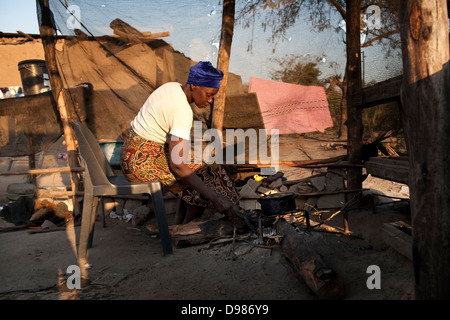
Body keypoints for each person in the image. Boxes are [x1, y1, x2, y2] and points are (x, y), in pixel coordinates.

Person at [120, 61, 241, 225]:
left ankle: (179, 223)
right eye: (209, 94)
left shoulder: (171, 87)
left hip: (131, 155)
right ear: (194, 86)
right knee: (207, 175)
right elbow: (177, 166)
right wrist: (215, 197)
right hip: (140, 164)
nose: (210, 100)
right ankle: (185, 230)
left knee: (199, 168)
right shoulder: (182, 110)